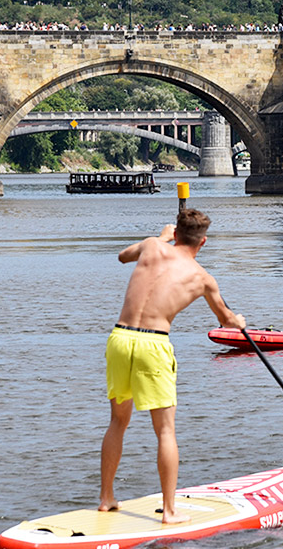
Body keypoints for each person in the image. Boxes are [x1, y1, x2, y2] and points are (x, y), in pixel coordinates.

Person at [99, 209, 244, 523]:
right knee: (165, 430)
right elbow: (225, 321)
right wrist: (240, 321)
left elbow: (124, 256)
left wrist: (160, 237)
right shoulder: (202, 278)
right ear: (202, 242)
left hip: (120, 338)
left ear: (176, 233)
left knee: (117, 422)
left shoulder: (152, 245)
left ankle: (106, 498)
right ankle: (169, 511)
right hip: (153, 343)